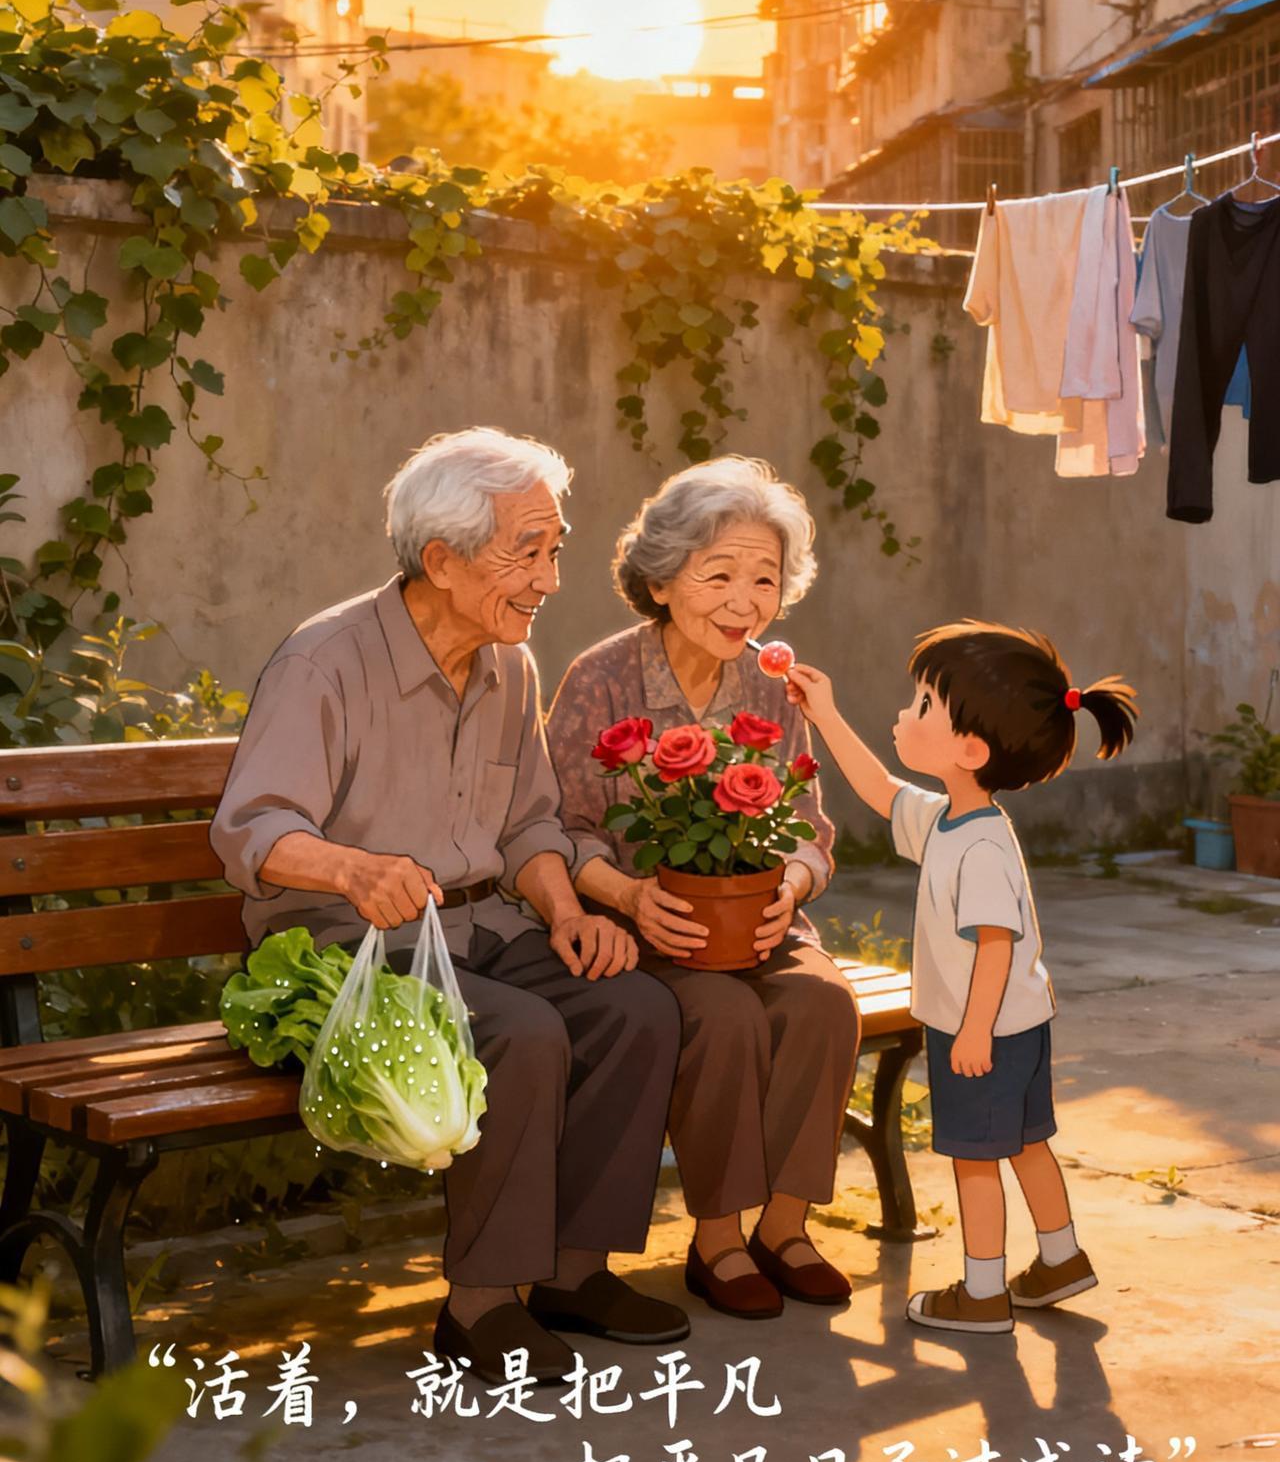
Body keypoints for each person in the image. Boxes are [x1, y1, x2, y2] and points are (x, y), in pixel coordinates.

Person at [211, 427, 688, 1383]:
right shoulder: (325, 663)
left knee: (635, 1005)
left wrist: (565, 912)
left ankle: (569, 1272)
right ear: (442, 558)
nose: (551, 579)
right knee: (523, 1034)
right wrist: (351, 870)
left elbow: (530, 826)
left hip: (484, 928)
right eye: (529, 552)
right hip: (348, 940)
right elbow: (251, 829)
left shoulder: (510, 664)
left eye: (554, 550)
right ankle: (478, 1307)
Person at [546, 457, 861, 1320]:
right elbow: (559, 831)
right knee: (720, 1019)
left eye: (764, 578)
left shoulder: (771, 680)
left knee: (823, 1002)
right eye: (717, 573)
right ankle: (718, 1240)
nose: (744, 600)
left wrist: (793, 886)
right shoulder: (599, 679)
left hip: (760, 924)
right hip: (650, 929)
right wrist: (626, 895)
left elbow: (810, 828)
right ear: (660, 578)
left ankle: (785, 1230)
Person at [786, 621, 1138, 1334]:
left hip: (985, 1030)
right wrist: (823, 714)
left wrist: (973, 1030)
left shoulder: (978, 845)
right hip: (1021, 1025)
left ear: (971, 750)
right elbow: (882, 791)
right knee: (1027, 1141)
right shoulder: (953, 818)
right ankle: (1061, 1255)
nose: (903, 715)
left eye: (921, 707)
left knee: (975, 1161)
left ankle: (981, 1294)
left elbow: (994, 945)